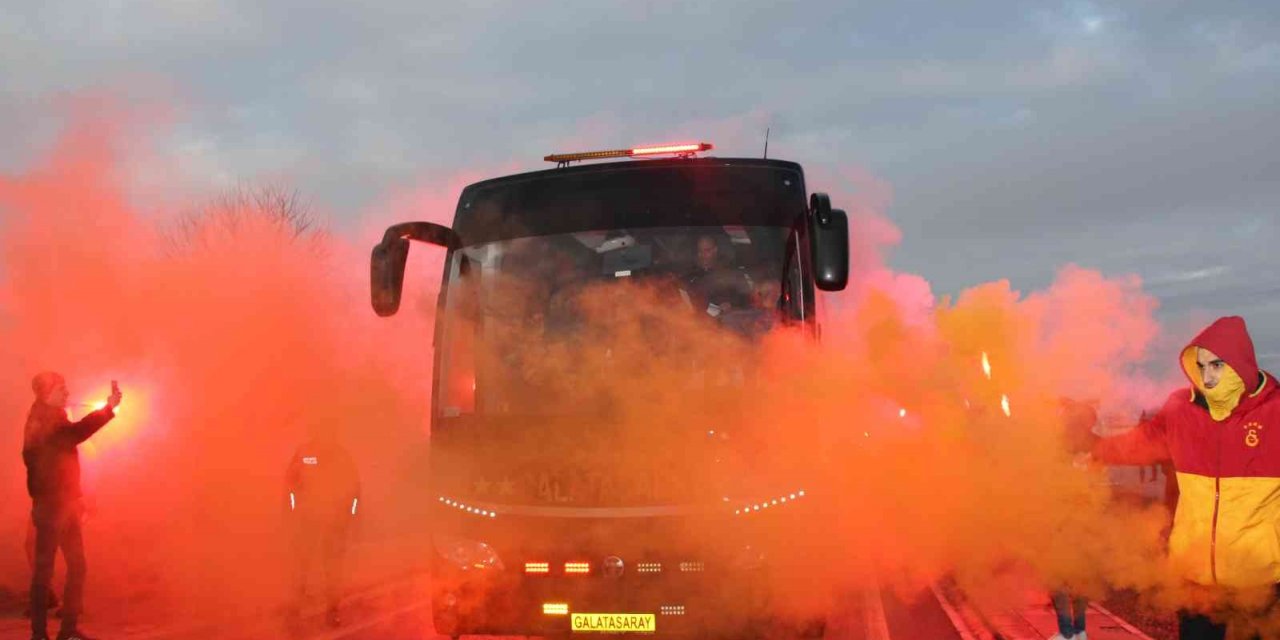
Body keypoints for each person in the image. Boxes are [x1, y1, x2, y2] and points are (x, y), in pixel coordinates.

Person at [1084, 316, 1279, 639]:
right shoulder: (1180, 410)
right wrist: (1092, 446)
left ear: (1241, 363)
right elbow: (1140, 442)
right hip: (1195, 583)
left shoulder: (1275, 412)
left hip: (1259, 584)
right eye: (1200, 366)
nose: (1207, 376)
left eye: (1217, 365)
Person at [22, 373, 120, 640]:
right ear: (45, 393)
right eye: (61, 389)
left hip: (65, 506)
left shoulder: (53, 417)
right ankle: (39, 635)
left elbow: (69, 439)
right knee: (44, 573)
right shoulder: (42, 421)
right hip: (50, 509)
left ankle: (67, 631)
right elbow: (74, 435)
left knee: (77, 567)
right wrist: (108, 408)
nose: (67, 393)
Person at [285, 425, 361, 628]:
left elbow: (354, 489)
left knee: (331, 569)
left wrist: (349, 516)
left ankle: (331, 611)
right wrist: (293, 510)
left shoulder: (341, 457)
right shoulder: (307, 454)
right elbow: (291, 483)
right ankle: (296, 610)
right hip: (309, 520)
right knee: (303, 567)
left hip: (333, 523)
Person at [682, 234, 753, 318]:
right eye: (700, 251)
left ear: (715, 250)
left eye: (707, 251)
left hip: (727, 321)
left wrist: (731, 305)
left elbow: (747, 298)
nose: (702, 255)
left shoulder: (731, 272)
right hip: (700, 322)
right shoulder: (693, 275)